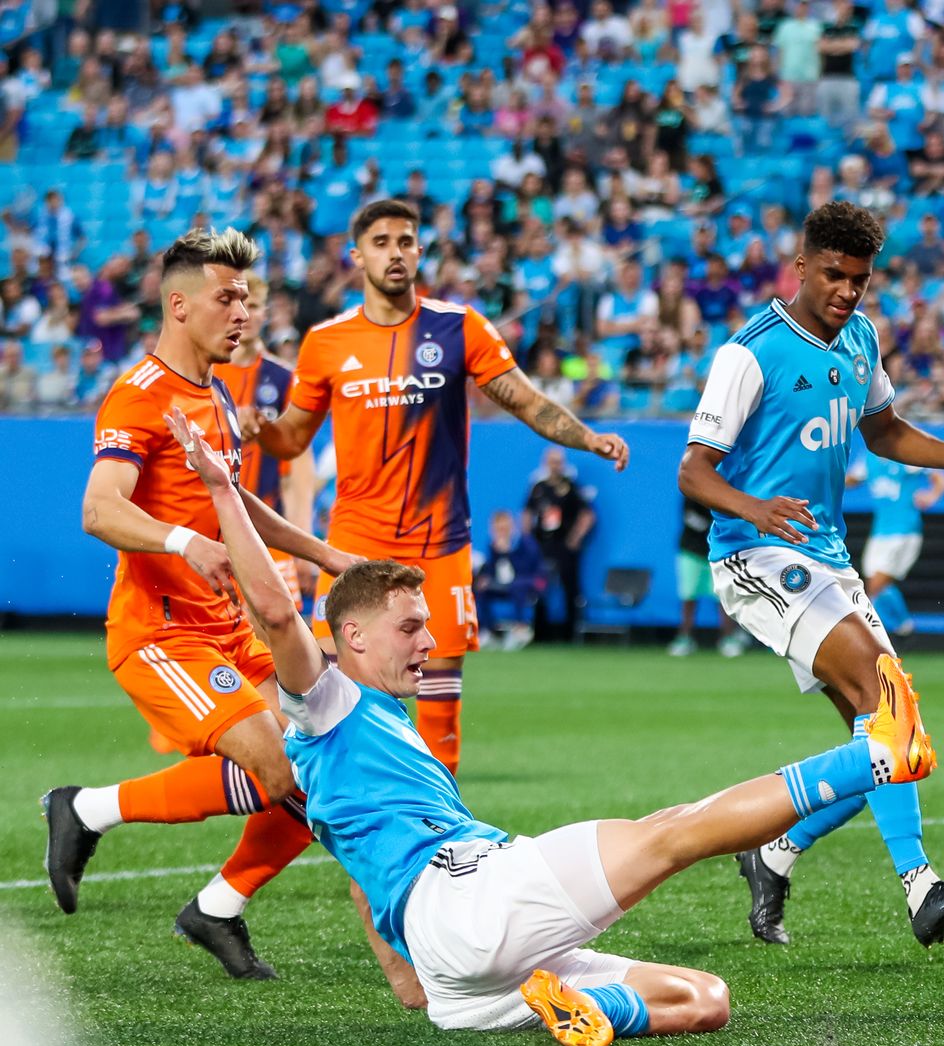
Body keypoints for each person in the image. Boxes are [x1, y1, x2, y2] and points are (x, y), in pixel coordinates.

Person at [162, 404, 935, 1046]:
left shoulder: (364, 739)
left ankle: (587, 1011)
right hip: (471, 898)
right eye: (410, 628)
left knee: (706, 998)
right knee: (674, 831)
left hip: (463, 980)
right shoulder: (325, 700)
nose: (429, 642)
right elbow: (272, 609)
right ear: (353, 637)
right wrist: (222, 491)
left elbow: (364, 877)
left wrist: (412, 983)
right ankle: (875, 753)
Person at [678, 201, 944, 948]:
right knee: (885, 703)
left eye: (860, 281)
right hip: (756, 555)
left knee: (895, 744)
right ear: (801, 266)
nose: (846, 292)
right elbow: (693, 472)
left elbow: (885, 432)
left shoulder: (862, 338)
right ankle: (921, 889)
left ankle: (773, 850)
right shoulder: (751, 353)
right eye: (834, 275)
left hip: (827, 557)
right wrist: (756, 508)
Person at [42, 229, 359, 981]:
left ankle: (216, 906)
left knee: (333, 758)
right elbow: (99, 509)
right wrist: (186, 544)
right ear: (179, 305)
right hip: (163, 635)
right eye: (227, 296)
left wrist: (325, 554)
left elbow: (237, 499)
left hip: (232, 629)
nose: (243, 309)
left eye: (247, 296)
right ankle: (86, 810)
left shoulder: (215, 392)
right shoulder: (139, 396)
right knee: (285, 771)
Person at [254, 199, 630, 779]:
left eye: (406, 240)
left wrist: (587, 438)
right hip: (353, 542)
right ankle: (353, 831)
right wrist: (263, 431)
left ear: (420, 251)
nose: (395, 252)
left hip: (439, 544)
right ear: (357, 256)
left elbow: (523, 398)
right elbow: (292, 439)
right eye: (381, 242)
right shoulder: (326, 342)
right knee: (328, 702)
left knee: (438, 704)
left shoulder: (458, 327)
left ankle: (440, 842)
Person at [224, 272, 319, 602]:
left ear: (267, 313)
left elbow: (298, 473)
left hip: (269, 535)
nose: (245, 314)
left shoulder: (283, 379)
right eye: (235, 303)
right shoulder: (203, 375)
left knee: (277, 645)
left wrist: (303, 544)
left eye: (254, 305)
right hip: (212, 533)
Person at [851, 451, 944, 637]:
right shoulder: (869, 460)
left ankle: (884, 632)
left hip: (905, 530)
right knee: (875, 584)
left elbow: (941, 479)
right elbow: (851, 480)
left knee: (876, 585)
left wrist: (932, 495)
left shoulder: (904, 456)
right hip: (880, 531)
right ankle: (903, 627)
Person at [524, 448, 597, 643]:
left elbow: (587, 514)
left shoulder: (570, 487)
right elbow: (527, 513)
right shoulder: (538, 487)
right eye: (552, 461)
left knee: (570, 587)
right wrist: (527, 540)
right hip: (542, 545)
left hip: (563, 545)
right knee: (539, 586)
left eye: (558, 462)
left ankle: (569, 633)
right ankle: (540, 633)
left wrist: (575, 538)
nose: (555, 465)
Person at [669, 496, 749, 658]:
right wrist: (714, 528)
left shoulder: (724, 490)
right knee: (688, 595)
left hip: (718, 552)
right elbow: (690, 517)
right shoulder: (690, 491)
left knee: (723, 597)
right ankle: (684, 639)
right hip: (691, 551)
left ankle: (728, 639)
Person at [474, 510, 542, 652]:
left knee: (518, 586)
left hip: (528, 582)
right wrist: (486, 579)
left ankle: (521, 628)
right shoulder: (493, 546)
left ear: (512, 527)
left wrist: (508, 552)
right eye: (498, 529)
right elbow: (493, 570)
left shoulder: (525, 543)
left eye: (504, 528)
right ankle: (488, 630)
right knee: (481, 588)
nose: (501, 532)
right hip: (504, 585)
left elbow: (526, 570)